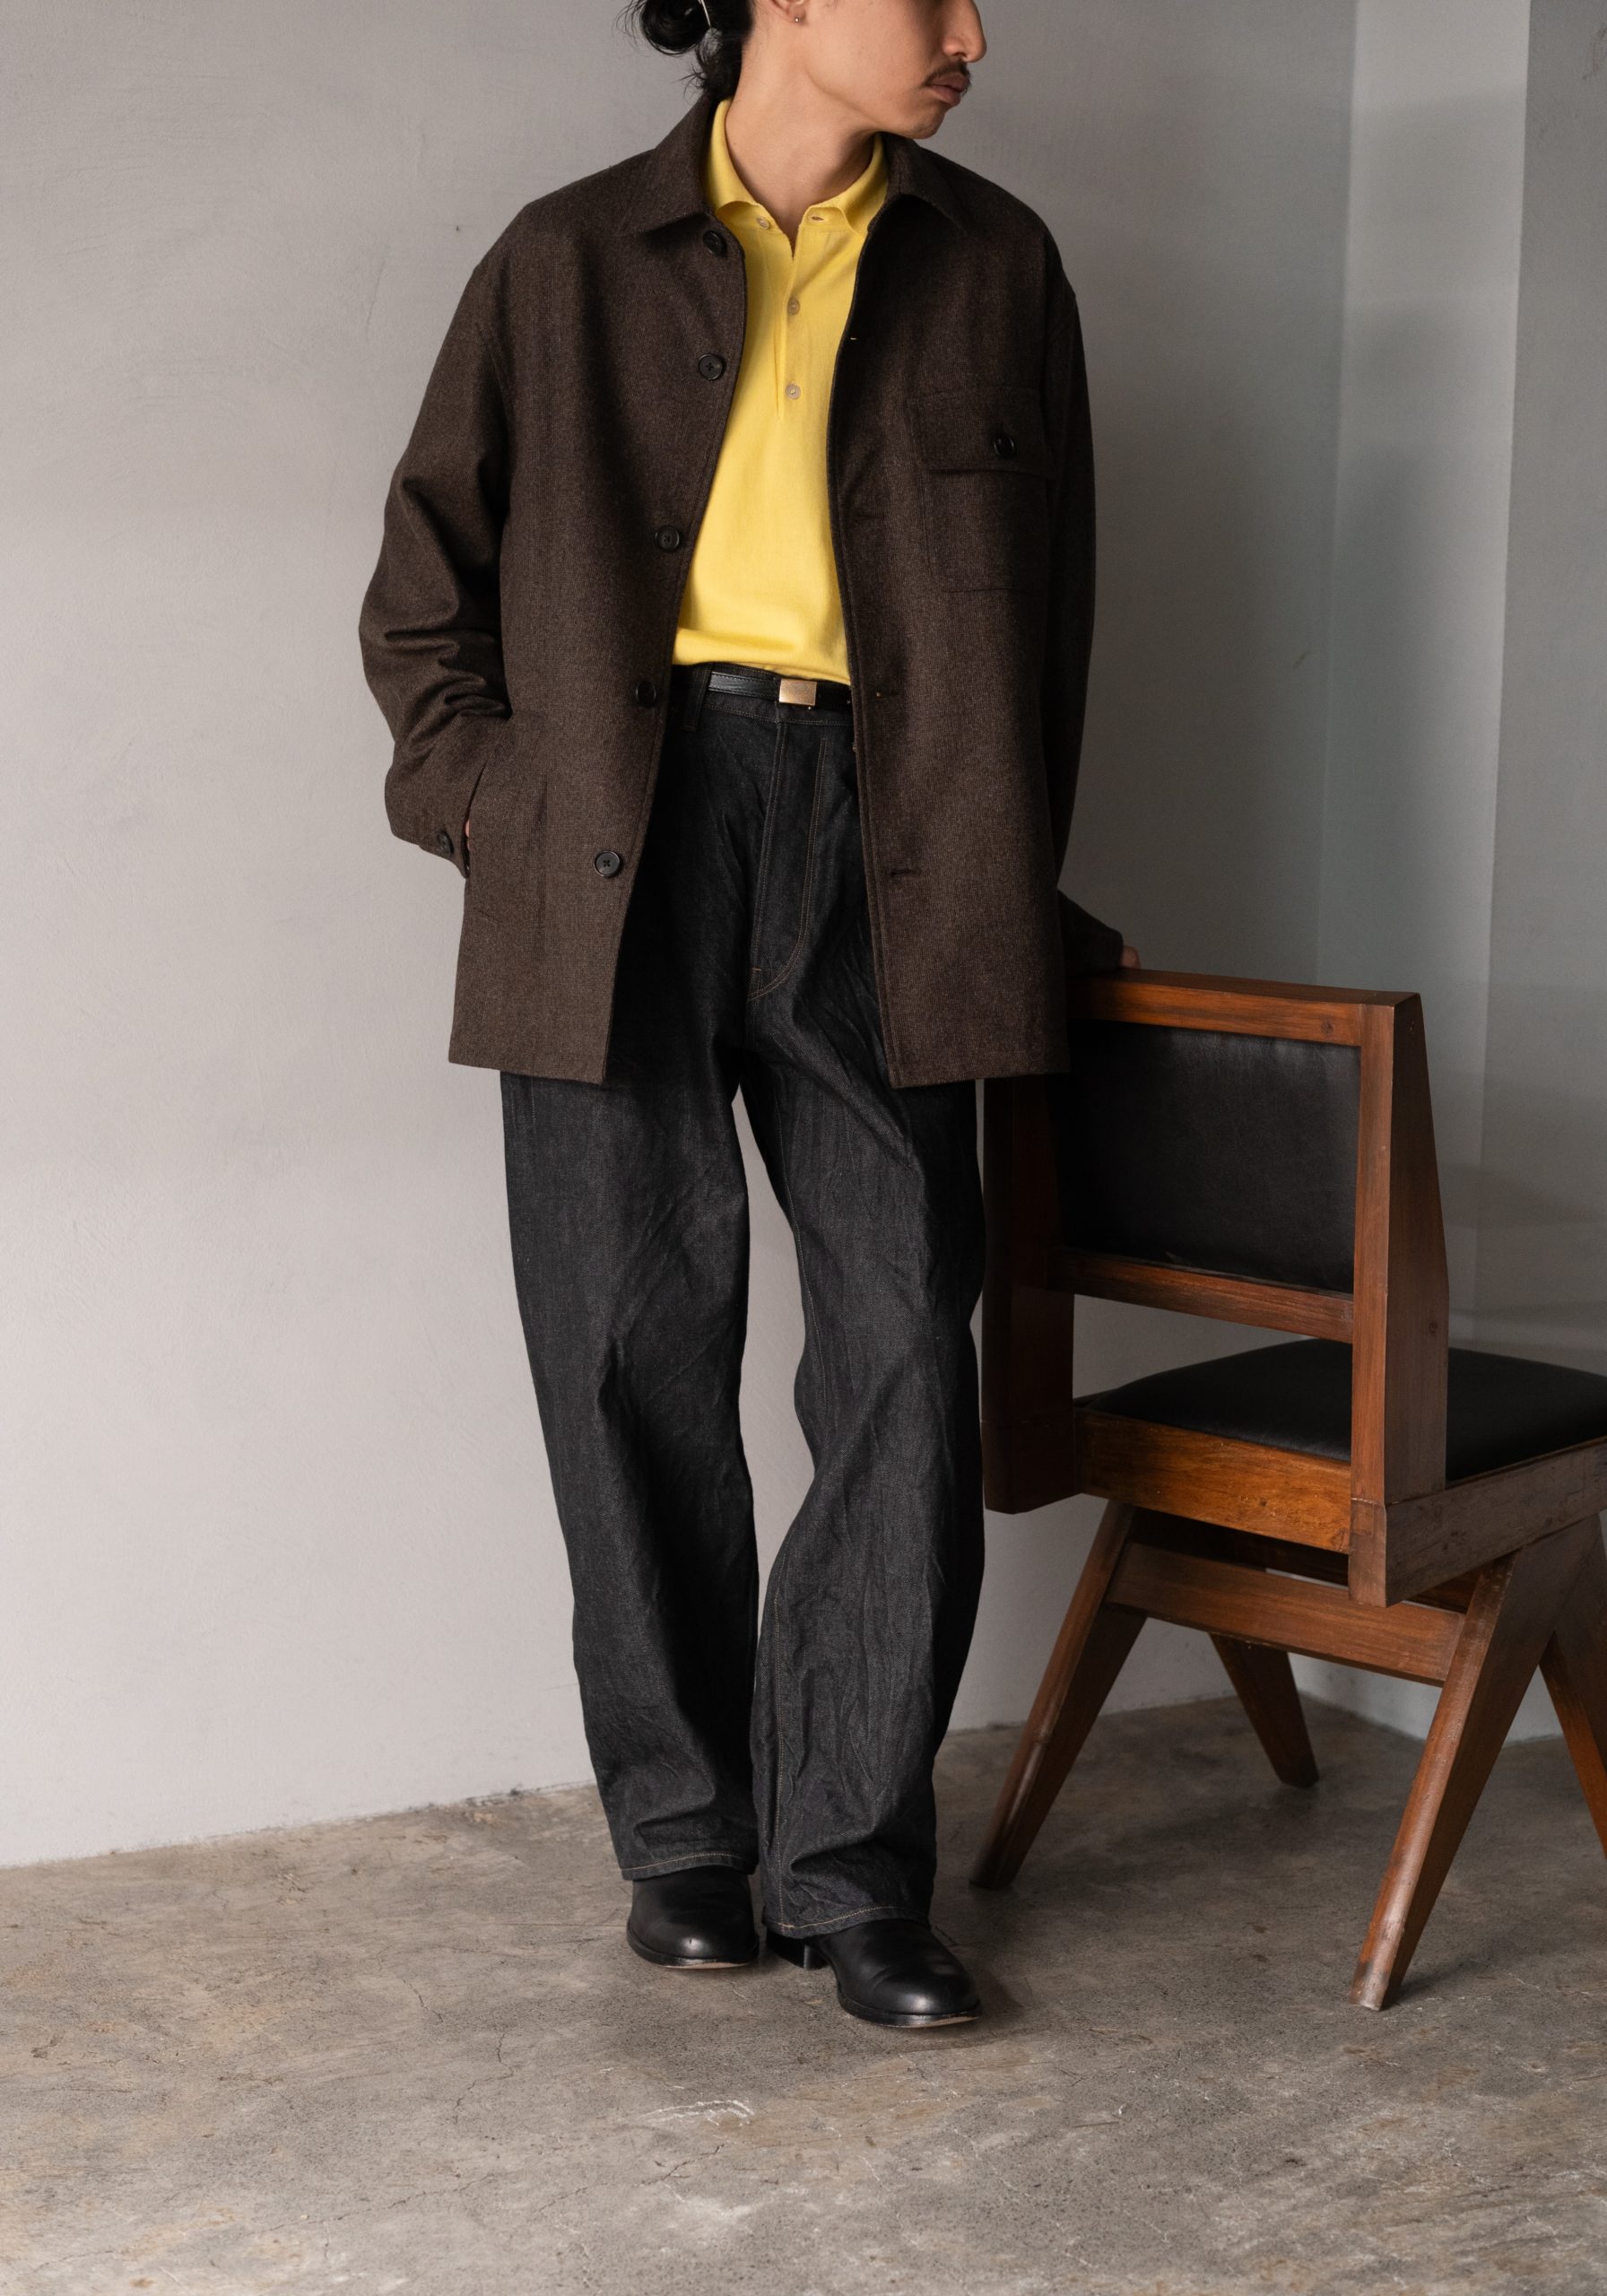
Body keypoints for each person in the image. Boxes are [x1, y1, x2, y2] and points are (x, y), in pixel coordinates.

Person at [359, 0, 1137, 2031]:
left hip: (900, 845)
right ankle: (688, 1839)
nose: (972, 31)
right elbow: (423, 592)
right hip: (618, 831)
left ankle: (852, 1865)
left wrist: (997, 861)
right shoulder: (562, 260)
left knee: (902, 1347)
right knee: (626, 1344)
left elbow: (1051, 625)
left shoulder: (998, 266)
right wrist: (494, 808)